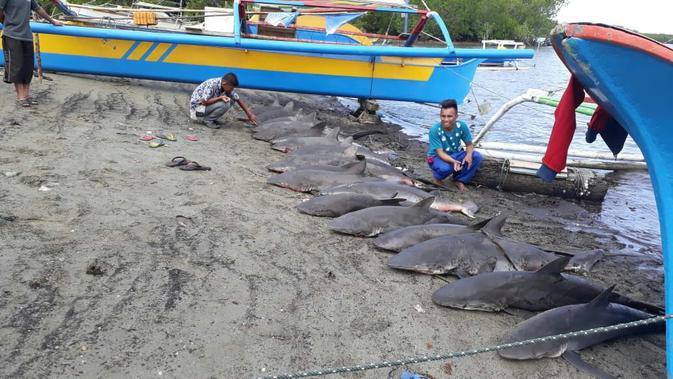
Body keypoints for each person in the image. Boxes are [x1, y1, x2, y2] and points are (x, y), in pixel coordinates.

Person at [0, 0, 62, 107]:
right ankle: (21, 97)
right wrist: (6, 22)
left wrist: (52, 21)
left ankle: (27, 95)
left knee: (28, 67)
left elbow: (38, 9)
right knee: (16, 67)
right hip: (12, 35)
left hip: (27, 35)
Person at [426, 99, 482, 191]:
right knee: (445, 169)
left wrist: (468, 155)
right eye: (443, 116)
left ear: (456, 116)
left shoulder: (462, 126)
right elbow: (440, 153)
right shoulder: (434, 130)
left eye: (449, 116)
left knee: (476, 156)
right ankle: (437, 178)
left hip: (455, 153)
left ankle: (459, 180)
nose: (446, 119)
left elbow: (469, 145)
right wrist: (453, 161)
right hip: (437, 157)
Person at [189, 72, 257, 128]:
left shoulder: (224, 84)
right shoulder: (212, 84)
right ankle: (208, 120)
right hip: (197, 109)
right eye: (231, 88)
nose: (232, 90)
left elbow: (237, 99)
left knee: (232, 99)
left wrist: (249, 114)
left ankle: (212, 118)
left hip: (205, 107)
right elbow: (204, 102)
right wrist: (220, 98)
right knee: (226, 103)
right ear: (225, 84)